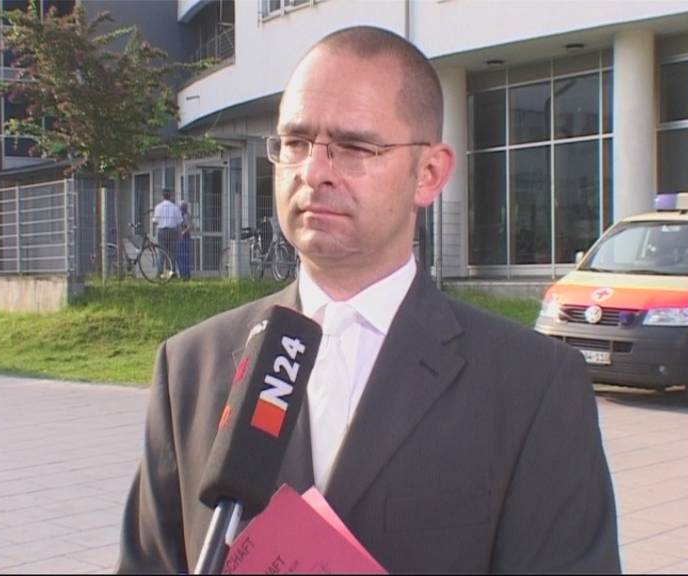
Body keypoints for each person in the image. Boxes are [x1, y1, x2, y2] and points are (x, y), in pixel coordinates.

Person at [117, 26, 620, 574]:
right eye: (295, 142)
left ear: (428, 174)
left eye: (355, 147)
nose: (314, 172)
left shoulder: (533, 386)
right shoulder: (189, 368)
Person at [152, 189, 181, 277]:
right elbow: (179, 221)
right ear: (170, 196)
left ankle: (160, 273)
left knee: (162, 253)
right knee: (172, 253)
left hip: (162, 231)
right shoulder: (175, 208)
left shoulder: (158, 207)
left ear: (162, 196)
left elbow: (155, 221)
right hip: (172, 231)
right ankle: (171, 272)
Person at [175, 201, 192, 280]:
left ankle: (185, 275)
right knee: (180, 257)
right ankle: (182, 274)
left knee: (184, 257)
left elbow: (189, 226)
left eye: (181, 207)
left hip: (184, 239)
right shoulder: (181, 215)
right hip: (179, 239)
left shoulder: (185, 215)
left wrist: (183, 232)